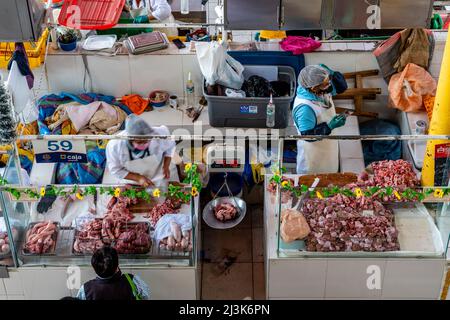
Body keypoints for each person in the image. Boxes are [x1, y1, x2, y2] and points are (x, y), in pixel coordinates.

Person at [293, 65, 347, 174]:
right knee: (312, 186)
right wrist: (330, 126)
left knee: (330, 180)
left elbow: (341, 87)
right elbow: (308, 136)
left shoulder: (320, 90)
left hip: (327, 147)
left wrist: (332, 74)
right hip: (313, 157)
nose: (329, 85)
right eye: (326, 83)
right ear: (313, 88)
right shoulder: (305, 108)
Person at [105, 114, 178, 188]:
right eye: (139, 142)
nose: (144, 144)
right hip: (131, 181)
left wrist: (166, 166)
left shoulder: (160, 133)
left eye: (146, 140)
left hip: (157, 175)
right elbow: (115, 170)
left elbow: (170, 147)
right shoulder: (115, 146)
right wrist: (138, 178)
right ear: (130, 139)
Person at [77, 247, 150, 300]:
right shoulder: (132, 281)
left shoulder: (85, 289)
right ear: (117, 264)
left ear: (94, 268)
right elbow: (145, 296)